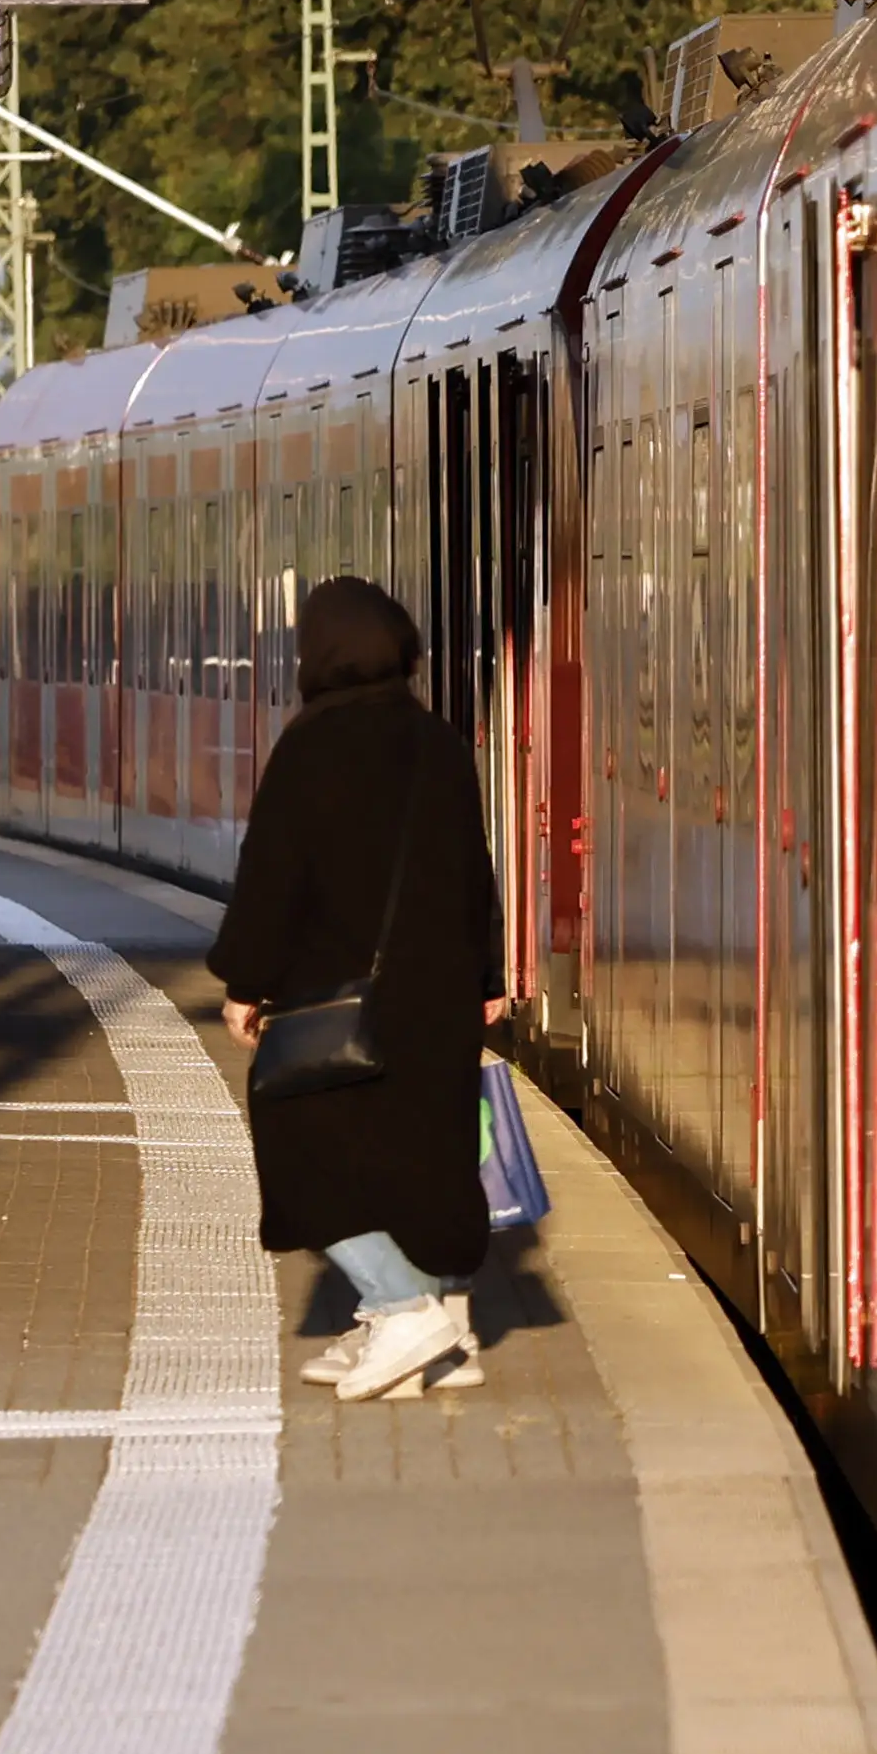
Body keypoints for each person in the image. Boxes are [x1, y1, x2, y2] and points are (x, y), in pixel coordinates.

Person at [210, 578, 508, 1404]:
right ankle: (443, 1343)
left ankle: (400, 1306)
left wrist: (247, 984)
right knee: (427, 1160)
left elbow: (271, 878)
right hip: (437, 994)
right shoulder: (438, 741)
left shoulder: (311, 746)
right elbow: (473, 871)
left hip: (336, 995)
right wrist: (488, 976)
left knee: (303, 1143)